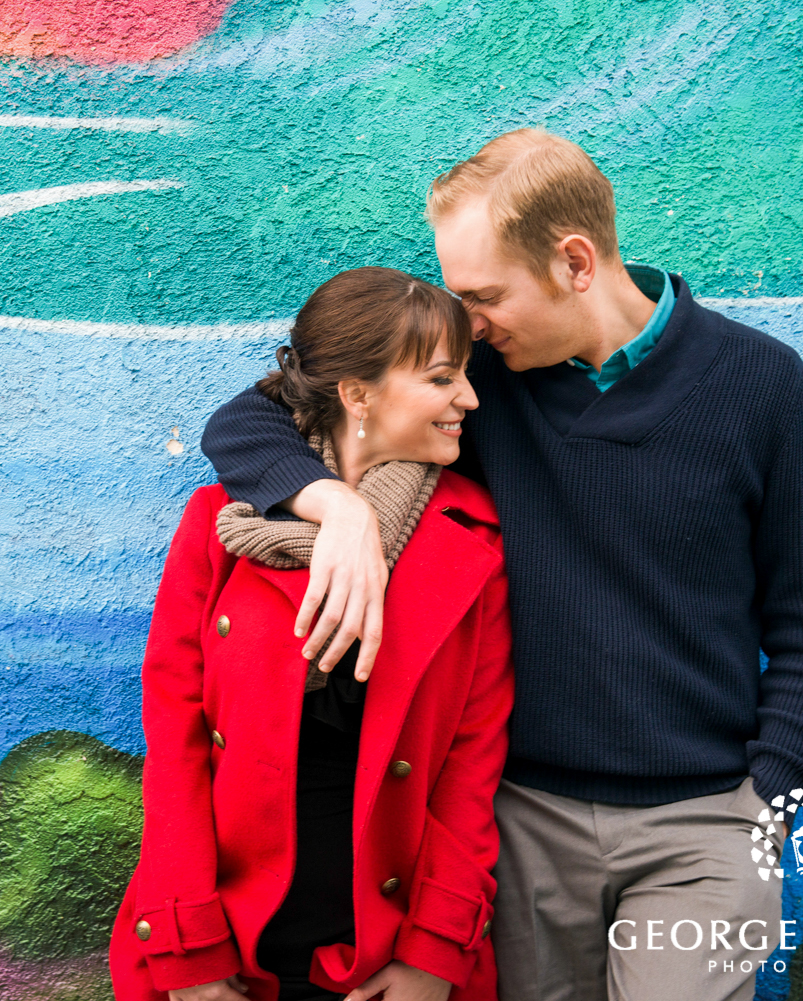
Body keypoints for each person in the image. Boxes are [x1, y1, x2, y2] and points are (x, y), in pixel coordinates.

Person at [199, 130, 803, 1001]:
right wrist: (340, 509)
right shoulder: (480, 384)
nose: (467, 324)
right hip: (522, 824)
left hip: (704, 825)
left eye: (483, 296)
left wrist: (763, 811)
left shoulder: (758, 381)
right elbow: (249, 419)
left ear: (574, 262)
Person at [110, 267, 514, 1001]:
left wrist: (435, 952)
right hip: (233, 943)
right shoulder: (221, 527)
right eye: (441, 378)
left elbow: (471, 766)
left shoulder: (474, 541)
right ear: (358, 395)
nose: (469, 398)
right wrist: (185, 945)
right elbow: (176, 743)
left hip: (388, 952)